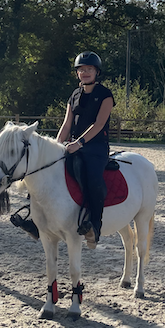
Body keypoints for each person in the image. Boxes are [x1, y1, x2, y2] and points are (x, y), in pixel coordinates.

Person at [56, 51, 115, 245]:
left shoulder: (105, 95)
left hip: (96, 147)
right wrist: (56, 146)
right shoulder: (74, 95)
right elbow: (66, 125)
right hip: (74, 145)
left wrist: (79, 143)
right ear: (77, 73)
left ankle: (95, 226)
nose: (85, 72)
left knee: (93, 179)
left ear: (97, 72)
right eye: (82, 70)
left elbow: (98, 124)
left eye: (89, 69)